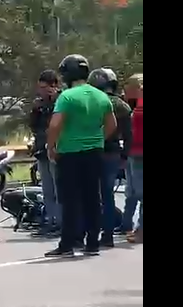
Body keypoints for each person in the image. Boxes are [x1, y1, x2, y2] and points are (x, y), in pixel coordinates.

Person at [45, 54, 116, 257]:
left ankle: (68, 243)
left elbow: (55, 125)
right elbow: (112, 125)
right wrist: (97, 138)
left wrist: (51, 146)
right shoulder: (101, 96)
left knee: (69, 199)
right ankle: (92, 243)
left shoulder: (67, 97)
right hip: (94, 153)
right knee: (93, 198)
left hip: (69, 153)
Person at [87, 67, 133, 247]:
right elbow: (128, 135)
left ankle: (91, 233)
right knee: (107, 195)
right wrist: (124, 155)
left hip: (94, 151)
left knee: (92, 195)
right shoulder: (123, 105)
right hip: (114, 153)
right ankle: (107, 235)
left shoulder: (94, 102)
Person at [29, 69, 63, 237]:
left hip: (57, 149)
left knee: (59, 189)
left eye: (45, 88)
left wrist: (53, 100)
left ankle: (62, 222)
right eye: (40, 88)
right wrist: (36, 109)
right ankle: (50, 220)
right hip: (42, 150)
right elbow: (33, 126)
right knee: (47, 189)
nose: (41, 91)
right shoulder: (39, 104)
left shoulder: (62, 101)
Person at [123, 73, 143, 243]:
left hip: (139, 153)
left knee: (140, 192)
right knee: (132, 191)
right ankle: (127, 224)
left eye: (129, 86)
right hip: (132, 152)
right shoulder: (135, 105)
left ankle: (141, 229)